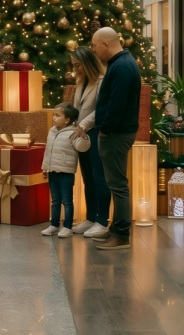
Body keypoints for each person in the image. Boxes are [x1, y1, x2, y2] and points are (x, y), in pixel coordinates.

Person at [91, 27, 141, 250]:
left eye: (95, 46)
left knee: (118, 185)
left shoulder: (121, 66)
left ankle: (121, 235)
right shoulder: (122, 63)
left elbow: (116, 103)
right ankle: (116, 230)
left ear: (105, 44)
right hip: (118, 131)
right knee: (116, 183)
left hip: (116, 133)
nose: (93, 51)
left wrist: (105, 129)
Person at [69, 47, 110, 239]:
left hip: (95, 134)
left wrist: (84, 125)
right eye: (73, 65)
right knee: (87, 178)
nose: (75, 69)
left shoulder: (101, 82)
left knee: (99, 178)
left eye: (78, 65)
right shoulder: (81, 83)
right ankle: (91, 218)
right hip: (82, 136)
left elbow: (101, 109)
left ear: (87, 64)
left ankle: (102, 221)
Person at [40, 103, 91, 238]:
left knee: (67, 201)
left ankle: (67, 227)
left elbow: (82, 147)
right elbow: (48, 151)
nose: (53, 118)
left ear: (67, 120)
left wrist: (84, 137)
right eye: (54, 115)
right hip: (52, 171)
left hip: (66, 173)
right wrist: (45, 167)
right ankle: (54, 225)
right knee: (55, 200)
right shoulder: (52, 131)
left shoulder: (74, 132)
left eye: (57, 115)